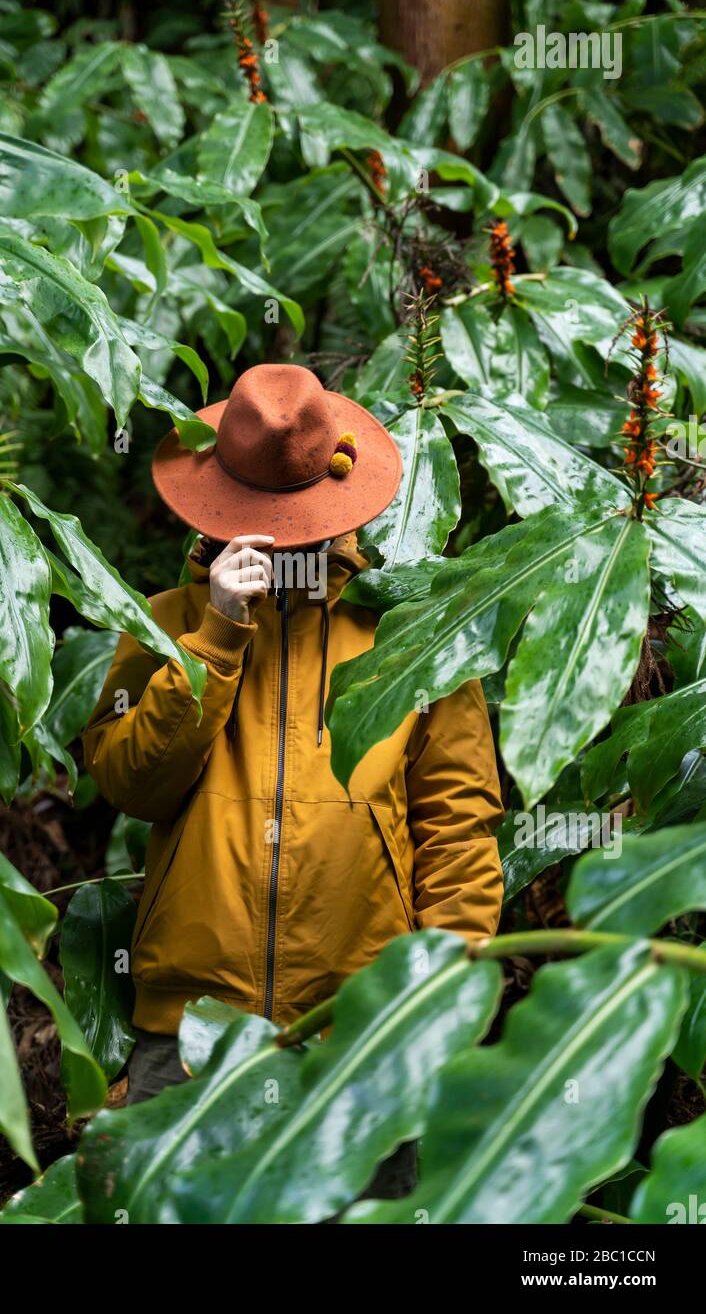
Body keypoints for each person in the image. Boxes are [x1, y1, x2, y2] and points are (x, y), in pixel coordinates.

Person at [83, 363, 504, 1204]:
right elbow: (133, 784)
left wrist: (434, 1001)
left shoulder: (410, 633)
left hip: (363, 1031)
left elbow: (457, 831)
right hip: (192, 1028)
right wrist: (216, 636)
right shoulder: (167, 624)